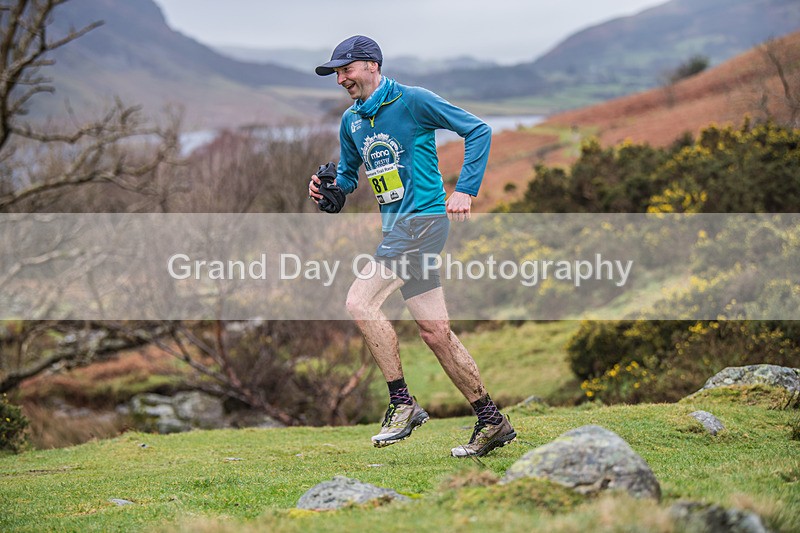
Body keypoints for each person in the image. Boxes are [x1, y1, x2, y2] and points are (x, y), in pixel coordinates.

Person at [308, 35, 515, 457]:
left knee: (360, 302)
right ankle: (492, 420)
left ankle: (403, 404)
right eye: (336, 73)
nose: (341, 79)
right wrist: (330, 190)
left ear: (371, 65)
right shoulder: (352, 121)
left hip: (423, 221)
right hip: (397, 230)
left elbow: (478, 130)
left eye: (346, 69)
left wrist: (465, 190)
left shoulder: (413, 100)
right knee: (436, 333)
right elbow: (349, 176)